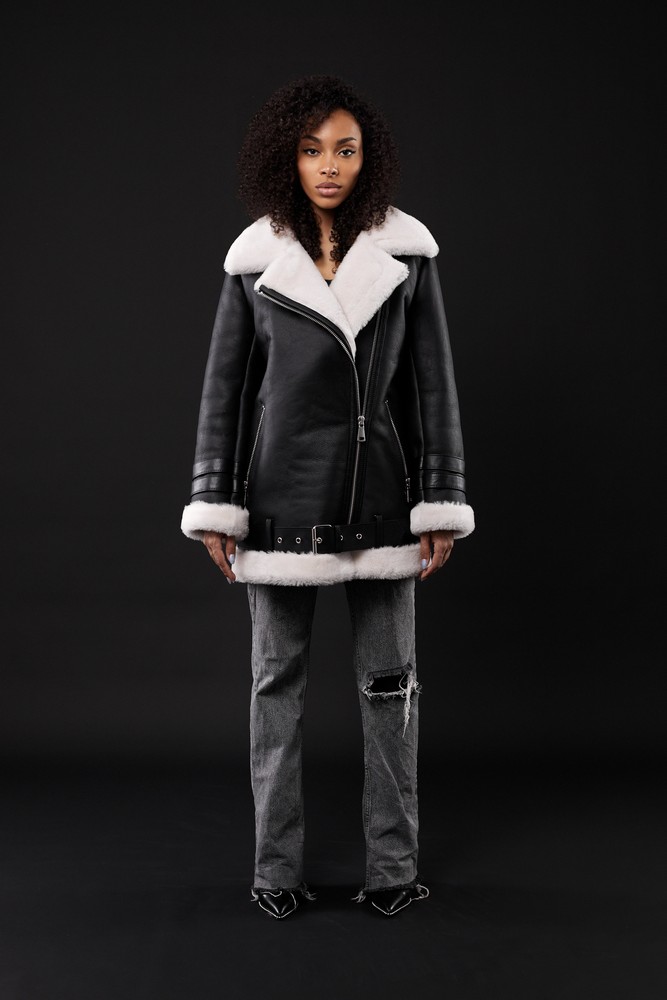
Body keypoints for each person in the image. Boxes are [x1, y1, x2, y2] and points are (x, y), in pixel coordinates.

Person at [180, 74, 475, 920]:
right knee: (274, 690)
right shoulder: (253, 264)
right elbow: (225, 394)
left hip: (382, 502)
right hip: (278, 508)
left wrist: (439, 500)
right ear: (288, 158)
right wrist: (216, 504)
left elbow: (431, 389)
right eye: (312, 150)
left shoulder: (407, 258)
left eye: (345, 149)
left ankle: (393, 871)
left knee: (391, 689)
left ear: (366, 157)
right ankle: (276, 874)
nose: (329, 166)